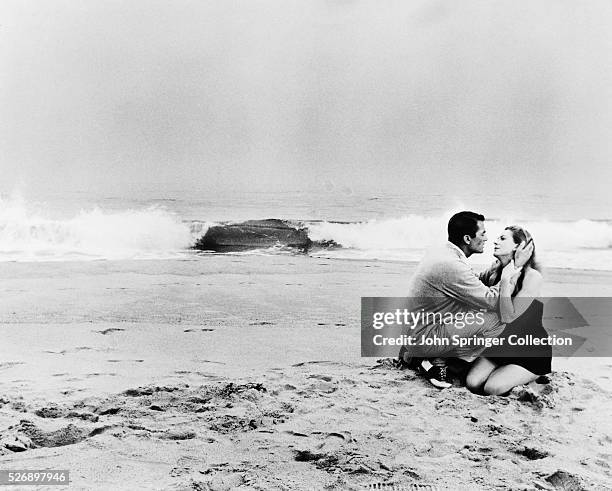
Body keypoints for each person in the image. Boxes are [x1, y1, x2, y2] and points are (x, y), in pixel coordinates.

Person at [399, 211, 533, 389]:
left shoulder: (444, 253)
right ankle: (440, 362)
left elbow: (470, 283)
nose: (488, 239)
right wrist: (511, 270)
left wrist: (498, 269)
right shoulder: (452, 265)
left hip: (417, 330)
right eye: (483, 233)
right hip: (425, 336)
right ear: (468, 239)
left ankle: (421, 356)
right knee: (497, 319)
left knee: (477, 310)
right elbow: (492, 301)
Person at [466, 226, 550, 395]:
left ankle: (532, 375)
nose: (495, 241)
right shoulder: (493, 272)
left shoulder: (532, 277)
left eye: (503, 238)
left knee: (492, 388)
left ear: (518, 246)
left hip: (530, 349)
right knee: (472, 383)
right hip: (503, 344)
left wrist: (506, 281)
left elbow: (508, 317)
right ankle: (509, 371)